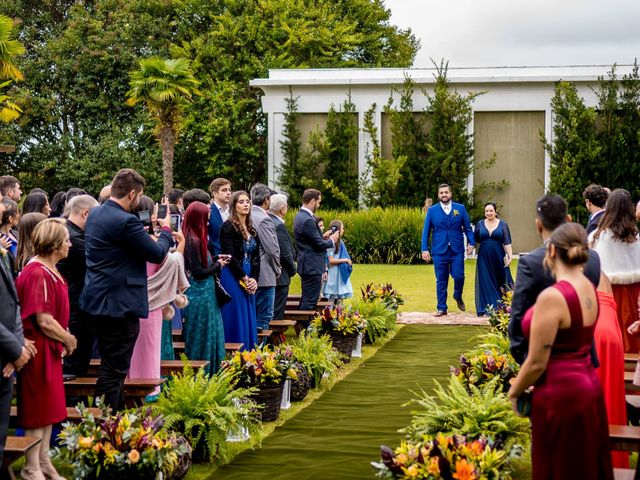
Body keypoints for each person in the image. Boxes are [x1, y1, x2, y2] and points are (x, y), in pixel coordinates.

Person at [507, 223, 613, 480]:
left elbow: (536, 362)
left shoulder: (552, 298)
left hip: (560, 394)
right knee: (584, 466)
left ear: (551, 250)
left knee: (560, 467)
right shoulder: (590, 287)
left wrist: (514, 391)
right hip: (589, 387)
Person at [79, 169, 175, 411]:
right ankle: (105, 424)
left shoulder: (95, 214)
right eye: (139, 195)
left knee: (110, 366)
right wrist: (165, 230)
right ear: (132, 194)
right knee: (115, 369)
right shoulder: (126, 221)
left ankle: (113, 418)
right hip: (120, 304)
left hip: (97, 299)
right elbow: (157, 252)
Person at [16, 218, 78, 480]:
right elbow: (43, 319)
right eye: (65, 240)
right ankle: (31, 467)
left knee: (49, 409)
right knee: (37, 410)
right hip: (37, 350)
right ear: (54, 245)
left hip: (49, 351)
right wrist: (67, 338)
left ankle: (44, 461)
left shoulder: (49, 269)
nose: (70, 244)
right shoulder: (37, 272)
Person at [509, 194, 601, 365]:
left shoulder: (530, 263)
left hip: (548, 363)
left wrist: (525, 362)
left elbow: (518, 320)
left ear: (538, 224)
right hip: (586, 361)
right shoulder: (593, 258)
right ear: (568, 219)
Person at [129, 196, 189, 398]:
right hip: (151, 302)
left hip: (130, 299)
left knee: (135, 347)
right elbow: (173, 264)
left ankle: (132, 382)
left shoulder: (129, 238)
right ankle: (149, 388)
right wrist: (181, 243)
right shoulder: (152, 242)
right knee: (149, 348)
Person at [0, 201, 34, 469]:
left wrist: (19, 348)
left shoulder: (4, 253)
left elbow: (14, 304)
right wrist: (15, 348)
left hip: (9, 356)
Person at [589, 189, 640, 353]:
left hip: (605, 295)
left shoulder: (597, 237)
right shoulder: (637, 237)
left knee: (607, 346)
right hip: (634, 296)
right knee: (632, 343)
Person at [182, 201, 228, 374]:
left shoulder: (197, 237)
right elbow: (198, 271)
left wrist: (216, 258)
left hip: (207, 293)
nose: (208, 220)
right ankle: (202, 373)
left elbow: (202, 262)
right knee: (202, 332)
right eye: (206, 217)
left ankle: (214, 370)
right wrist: (218, 266)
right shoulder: (192, 240)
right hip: (199, 293)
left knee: (213, 330)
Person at [58, 195, 99, 383]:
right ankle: (73, 405)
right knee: (74, 366)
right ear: (86, 213)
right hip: (75, 307)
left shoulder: (70, 232)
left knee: (79, 364)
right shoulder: (72, 239)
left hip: (76, 304)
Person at [421, 183, 475, 316]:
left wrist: (471, 243)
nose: (444, 195)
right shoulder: (432, 211)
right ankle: (441, 307)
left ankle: (457, 295)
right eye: (441, 193)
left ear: (450, 193)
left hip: (456, 250)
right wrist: (424, 249)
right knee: (441, 279)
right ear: (438, 195)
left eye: (446, 192)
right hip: (439, 250)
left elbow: (467, 228)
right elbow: (426, 231)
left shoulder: (460, 208)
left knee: (459, 276)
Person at [594, 272, 628, 469]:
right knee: (610, 396)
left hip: (595, 330)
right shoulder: (599, 269)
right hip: (611, 328)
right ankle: (613, 461)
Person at [219, 191, 260, 350]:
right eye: (241, 202)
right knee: (237, 314)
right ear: (234, 205)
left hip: (249, 275)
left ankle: (250, 354)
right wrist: (244, 278)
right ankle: (235, 354)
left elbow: (257, 257)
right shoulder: (228, 227)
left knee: (249, 314)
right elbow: (229, 256)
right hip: (233, 276)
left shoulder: (252, 229)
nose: (245, 204)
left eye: (247, 201)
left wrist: (254, 279)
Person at [293, 189, 339, 311]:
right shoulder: (307, 219)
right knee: (310, 300)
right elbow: (318, 245)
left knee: (307, 298)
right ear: (312, 201)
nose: (318, 205)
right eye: (318, 202)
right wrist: (332, 240)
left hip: (307, 264)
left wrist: (323, 236)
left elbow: (310, 241)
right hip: (311, 266)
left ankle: (305, 326)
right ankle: (306, 327)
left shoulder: (301, 216)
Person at [473, 202, 514, 316]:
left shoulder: (503, 225)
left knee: (500, 280)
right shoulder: (480, 224)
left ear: (495, 212)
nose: (489, 213)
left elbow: (507, 242)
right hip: (483, 257)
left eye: (491, 210)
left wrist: (509, 256)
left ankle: (504, 306)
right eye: (486, 211)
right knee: (486, 281)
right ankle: (491, 308)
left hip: (498, 256)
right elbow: (475, 239)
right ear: (484, 212)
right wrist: (470, 247)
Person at [250, 183, 281, 331]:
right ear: (267, 199)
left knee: (253, 315)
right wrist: (277, 268)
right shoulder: (264, 219)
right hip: (264, 274)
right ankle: (258, 351)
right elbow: (272, 249)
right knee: (265, 316)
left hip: (251, 272)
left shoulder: (248, 215)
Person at [268, 194, 296, 321]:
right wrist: (292, 269)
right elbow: (285, 253)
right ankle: (273, 339)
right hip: (281, 275)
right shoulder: (278, 225)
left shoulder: (268, 220)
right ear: (282, 209)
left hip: (273, 274)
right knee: (276, 313)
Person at [322, 220, 353, 303]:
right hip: (332, 273)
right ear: (337, 230)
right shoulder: (330, 242)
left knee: (339, 299)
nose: (343, 230)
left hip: (339, 272)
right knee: (331, 299)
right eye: (342, 228)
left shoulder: (339, 242)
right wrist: (346, 260)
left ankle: (339, 315)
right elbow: (331, 260)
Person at [208, 178, 231, 256]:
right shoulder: (209, 212)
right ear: (215, 193)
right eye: (224, 190)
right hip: (217, 257)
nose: (228, 193)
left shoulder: (232, 211)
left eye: (229, 190)